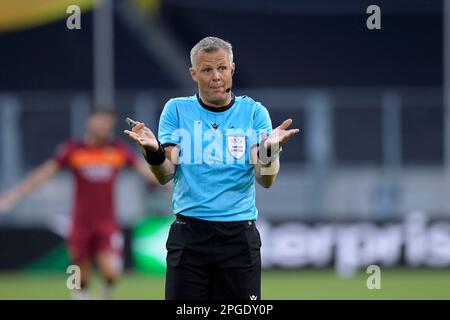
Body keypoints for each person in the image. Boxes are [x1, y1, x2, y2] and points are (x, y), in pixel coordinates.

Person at [124, 36, 299, 300]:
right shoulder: (177, 110)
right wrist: (154, 152)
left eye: (222, 68)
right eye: (207, 70)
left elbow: (265, 178)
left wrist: (268, 150)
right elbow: (166, 173)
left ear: (232, 69)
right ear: (194, 74)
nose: (216, 76)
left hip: (239, 237)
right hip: (189, 235)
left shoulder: (253, 113)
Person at [0, 108, 164, 300]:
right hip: (80, 223)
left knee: (111, 273)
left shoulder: (118, 150)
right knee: (80, 275)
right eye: (100, 121)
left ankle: (104, 295)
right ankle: (80, 295)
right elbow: (43, 173)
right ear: (90, 122)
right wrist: (13, 195)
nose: (104, 126)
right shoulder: (73, 150)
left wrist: (173, 184)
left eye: (108, 122)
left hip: (107, 223)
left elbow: (146, 172)